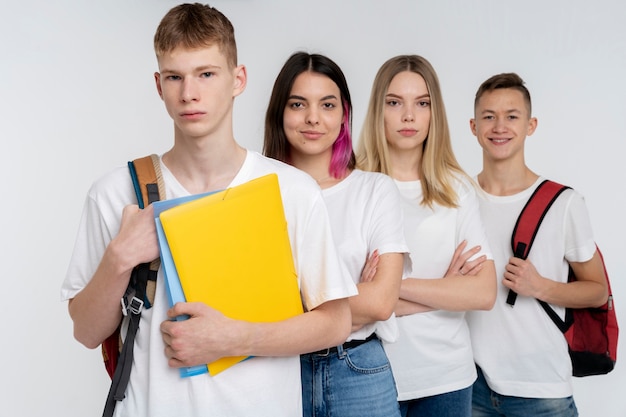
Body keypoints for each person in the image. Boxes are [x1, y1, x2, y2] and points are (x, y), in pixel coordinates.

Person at [60, 4, 357, 416]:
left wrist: (235, 340)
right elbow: (86, 332)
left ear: (238, 80)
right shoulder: (115, 192)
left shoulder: (292, 190)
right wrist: (120, 258)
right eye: (174, 77)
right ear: (158, 84)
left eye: (206, 74)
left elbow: (336, 322)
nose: (189, 93)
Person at [263, 51, 410, 417]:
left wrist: (294, 301)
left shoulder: (376, 191)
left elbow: (380, 302)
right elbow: (248, 304)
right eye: (299, 104)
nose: (313, 117)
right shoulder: (256, 191)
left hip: (357, 370)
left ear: (343, 114)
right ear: (280, 112)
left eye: (327, 104)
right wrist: (345, 295)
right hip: (276, 370)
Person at [356, 54, 497, 417]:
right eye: (394, 103)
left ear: (434, 113)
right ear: (378, 110)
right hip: (367, 376)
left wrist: (388, 288)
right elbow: (345, 302)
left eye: (421, 103)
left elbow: (482, 292)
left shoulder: (457, 189)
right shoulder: (354, 186)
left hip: (446, 379)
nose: (408, 116)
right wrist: (447, 289)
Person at [466, 72, 608, 417]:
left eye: (511, 116)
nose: (500, 126)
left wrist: (540, 286)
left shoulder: (564, 202)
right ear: (473, 126)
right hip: (470, 384)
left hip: (542, 389)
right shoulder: (457, 197)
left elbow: (598, 292)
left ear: (531, 125)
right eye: (489, 116)